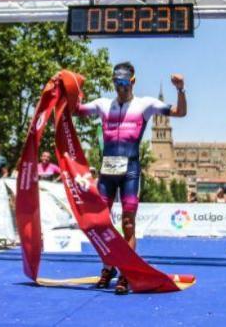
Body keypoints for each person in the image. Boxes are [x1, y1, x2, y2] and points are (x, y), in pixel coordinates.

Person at [76, 62, 186, 294]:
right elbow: (74, 109)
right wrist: (71, 85)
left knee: (128, 223)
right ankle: (108, 268)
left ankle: (126, 272)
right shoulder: (103, 104)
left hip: (130, 171)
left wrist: (180, 90)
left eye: (125, 84)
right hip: (107, 172)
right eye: (117, 84)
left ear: (133, 81)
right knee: (100, 224)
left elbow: (180, 112)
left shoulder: (145, 105)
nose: (121, 88)